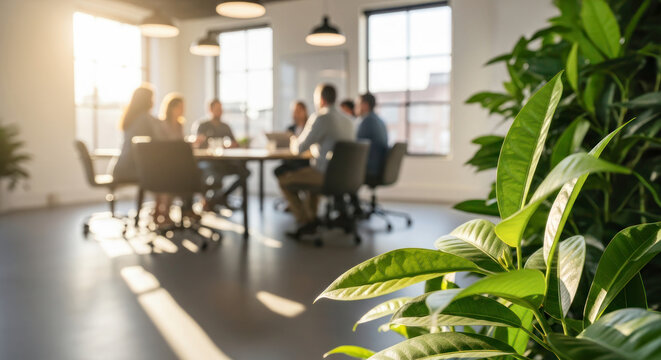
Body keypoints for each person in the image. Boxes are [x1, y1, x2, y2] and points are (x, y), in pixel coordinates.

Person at [278, 84, 355, 236]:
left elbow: (299, 149)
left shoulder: (320, 117)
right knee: (312, 173)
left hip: (326, 176)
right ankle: (311, 217)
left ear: (320, 100)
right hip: (347, 177)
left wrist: (293, 139)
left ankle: (306, 221)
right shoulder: (348, 120)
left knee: (284, 180)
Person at [193, 99, 249, 211]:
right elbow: (198, 144)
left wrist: (232, 145)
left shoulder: (225, 126)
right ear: (210, 109)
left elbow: (235, 143)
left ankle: (221, 197)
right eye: (217, 109)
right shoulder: (202, 126)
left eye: (221, 109)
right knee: (215, 174)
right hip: (207, 162)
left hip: (224, 161)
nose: (220, 111)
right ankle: (209, 200)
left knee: (245, 172)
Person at [112, 85, 161, 184]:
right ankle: (163, 200)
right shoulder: (147, 119)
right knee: (168, 172)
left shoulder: (129, 119)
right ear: (148, 100)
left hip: (119, 168)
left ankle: (161, 200)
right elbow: (161, 142)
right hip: (134, 170)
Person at [355, 92, 388, 180]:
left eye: (358, 104)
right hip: (380, 166)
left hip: (370, 167)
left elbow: (355, 145)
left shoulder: (367, 121)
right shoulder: (380, 120)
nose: (356, 108)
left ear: (365, 105)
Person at [273, 101, 310, 178]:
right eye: (294, 111)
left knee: (290, 174)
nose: (295, 114)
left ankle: (292, 185)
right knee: (278, 171)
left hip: (304, 162)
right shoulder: (290, 129)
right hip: (290, 161)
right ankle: (291, 187)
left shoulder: (309, 128)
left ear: (304, 112)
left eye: (298, 111)